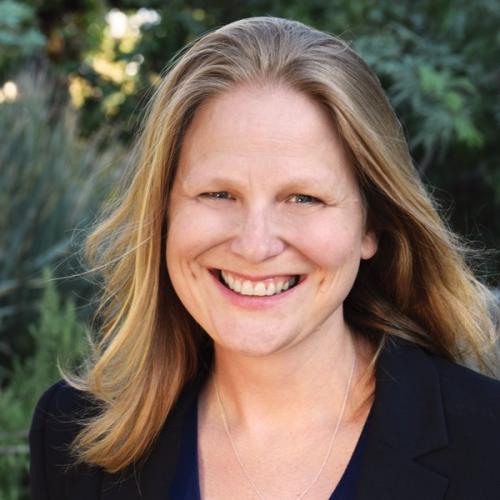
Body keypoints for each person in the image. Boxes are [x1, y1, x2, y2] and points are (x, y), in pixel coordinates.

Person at [29, 16, 500, 500]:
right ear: (163, 213)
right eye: (217, 194)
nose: (255, 246)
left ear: (370, 226)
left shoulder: (488, 443)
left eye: (303, 198)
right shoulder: (70, 439)